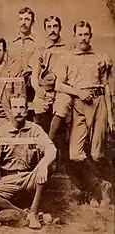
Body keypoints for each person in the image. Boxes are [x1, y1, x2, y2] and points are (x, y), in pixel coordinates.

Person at [55, 21, 113, 207]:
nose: (83, 38)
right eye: (80, 34)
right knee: (75, 154)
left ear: (91, 35)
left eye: (86, 34)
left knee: (96, 154)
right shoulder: (67, 57)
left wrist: (111, 117)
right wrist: (78, 93)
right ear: (74, 36)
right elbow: (58, 85)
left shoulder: (99, 57)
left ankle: (95, 195)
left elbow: (105, 87)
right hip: (80, 104)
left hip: (99, 104)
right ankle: (98, 186)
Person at [0, 94, 57, 229]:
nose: (19, 111)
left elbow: (52, 149)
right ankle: (26, 215)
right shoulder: (1, 131)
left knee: (49, 166)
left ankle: (33, 210)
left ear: (27, 110)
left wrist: (44, 164)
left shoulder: (35, 129)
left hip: (29, 177)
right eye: (15, 107)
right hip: (9, 178)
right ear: (10, 110)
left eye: (22, 107)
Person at [30, 16, 72, 135]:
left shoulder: (68, 47)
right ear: (45, 29)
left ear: (60, 28)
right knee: (38, 104)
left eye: (55, 26)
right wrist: (37, 89)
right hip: (46, 88)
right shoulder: (41, 48)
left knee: (62, 104)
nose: (52, 30)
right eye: (49, 27)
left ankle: (49, 142)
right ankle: (40, 143)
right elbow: (34, 74)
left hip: (62, 89)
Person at [8, 7, 37, 103]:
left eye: (27, 19)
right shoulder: (9, 43)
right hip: (11, 86)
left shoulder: (38, 44)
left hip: (30, 87)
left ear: (32, 22)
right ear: (17, 21)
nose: (23, 23)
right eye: (21, 19)